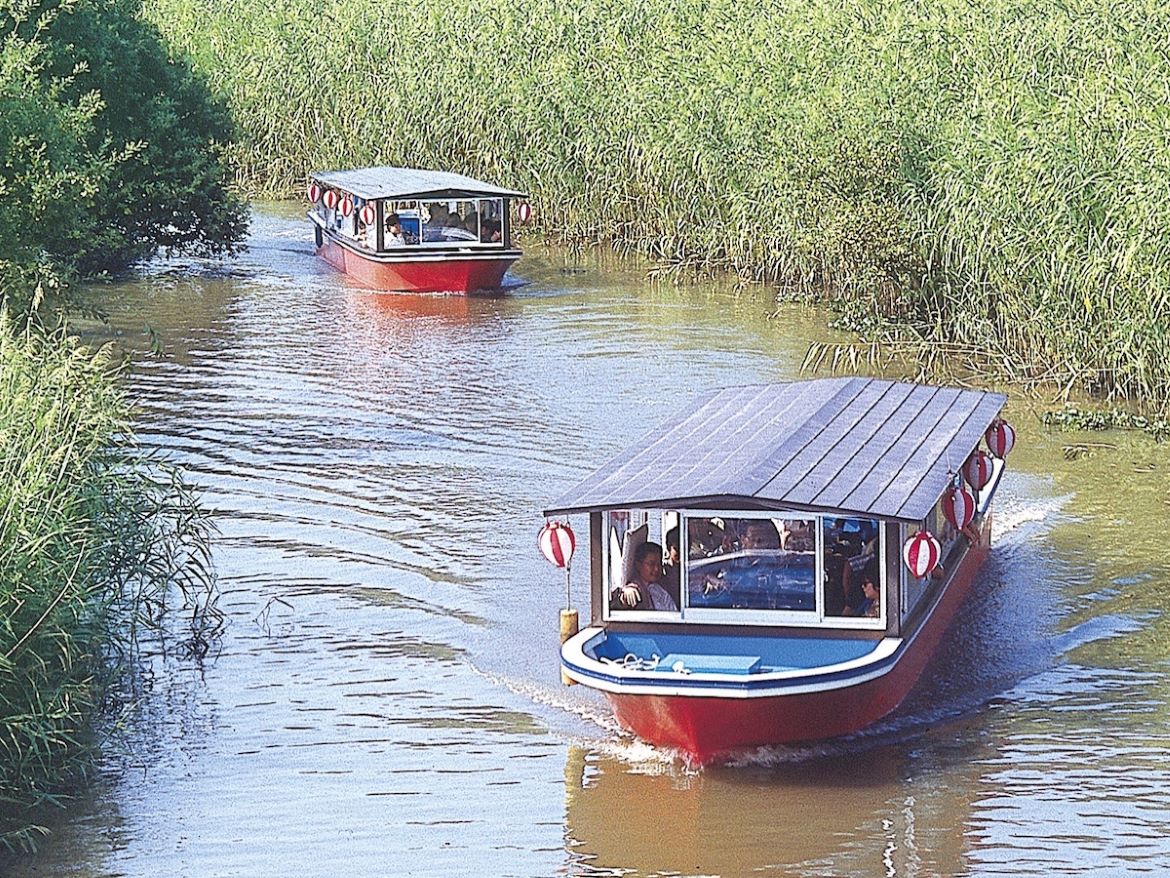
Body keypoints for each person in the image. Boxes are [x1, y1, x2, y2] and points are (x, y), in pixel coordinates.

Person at [610, 541, 678, 612]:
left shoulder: (662, 583)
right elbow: (622, 599)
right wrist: (625, 595)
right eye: (651, 564)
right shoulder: (636, 589)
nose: (656, 569)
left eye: (659, 564)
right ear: (638, 565)